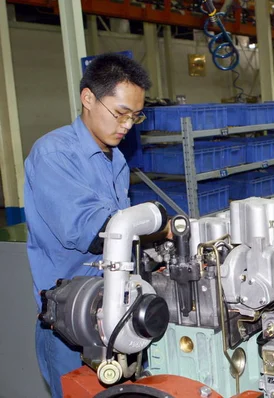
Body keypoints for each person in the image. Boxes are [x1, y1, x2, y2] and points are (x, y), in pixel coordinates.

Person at [24, 53, 162, 397]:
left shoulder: (115, 158)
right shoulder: (54, 154)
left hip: (116, 312)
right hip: (71, 326)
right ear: (88, 98)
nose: (128, 124)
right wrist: (163, 227)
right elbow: (97, 229)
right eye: (120, 113)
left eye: (135, 115)